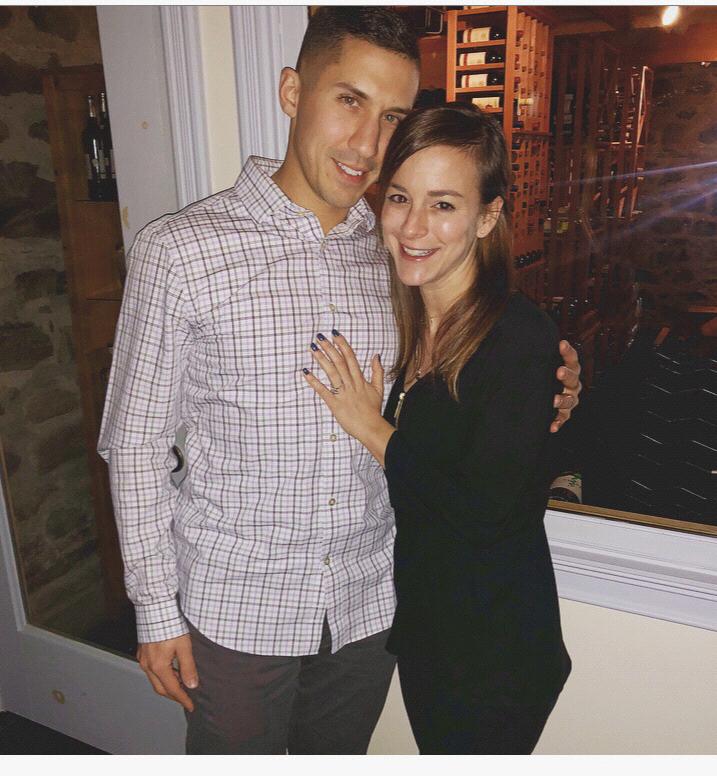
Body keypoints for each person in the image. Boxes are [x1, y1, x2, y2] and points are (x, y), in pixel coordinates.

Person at [98, 7, 580, 755]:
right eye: (348, 100)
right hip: (239, 613)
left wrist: (557, 380)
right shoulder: (180, 252)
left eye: (392, 118)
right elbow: (134, 446)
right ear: (293, 91)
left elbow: (470, 374)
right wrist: (155, 610)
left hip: (369, 608)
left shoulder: (396, 256)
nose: (366, 143)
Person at [303, 103, 572, 754]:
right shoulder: (408, 318)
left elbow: (483, 511)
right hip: (431, 632)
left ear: (487, 217)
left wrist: (373, 429)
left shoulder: (517, 337)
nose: (413, 226)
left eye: (443, 204)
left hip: (494, 653)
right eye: (399, 198)